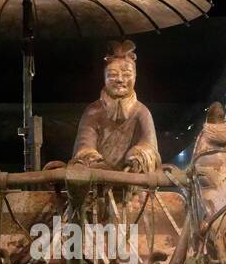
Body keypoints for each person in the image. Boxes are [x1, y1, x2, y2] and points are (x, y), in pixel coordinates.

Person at [69, 40, 161, 173]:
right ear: (104, 77)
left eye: (127, 74)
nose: (120, 79)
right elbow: (85, 145)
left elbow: (149, 145)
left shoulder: (141, 111)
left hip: (132, 179)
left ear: (135, 77)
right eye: (112, 74)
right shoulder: (93, 111)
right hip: (97, 179)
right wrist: (93, 160)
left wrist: (138, 155)